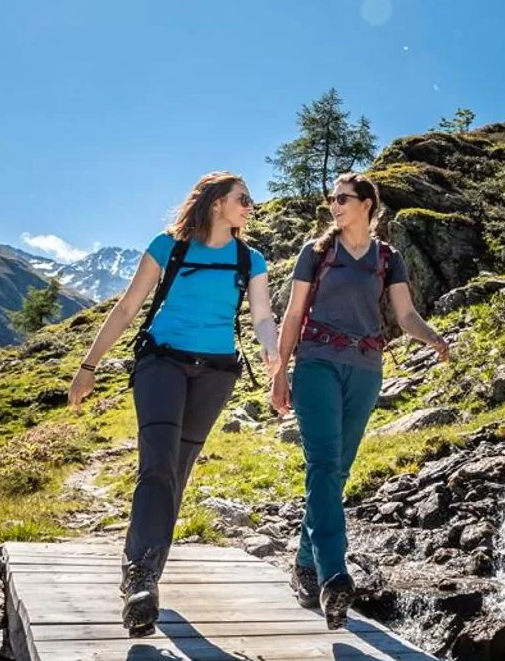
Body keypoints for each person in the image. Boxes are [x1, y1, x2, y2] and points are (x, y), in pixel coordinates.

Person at [67, 171, 277, 636]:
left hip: (218, 371)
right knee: (158, 464)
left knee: (177, 469)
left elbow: (262, 315)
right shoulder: (169, 246)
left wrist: (272, 349)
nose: (251, 205)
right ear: (217, 202)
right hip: (161, 362)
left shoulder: (251, 258)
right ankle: (141, 578)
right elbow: (126, 309)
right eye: (243, 198)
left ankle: (144, 578)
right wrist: (88, 366)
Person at [271, 172, 450, 628]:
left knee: (337, 470)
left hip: (367, 370)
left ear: (368, 204)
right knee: (325, 465)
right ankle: (334, 575)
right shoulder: (316, 253)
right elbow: (293, 315)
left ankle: (305, 564)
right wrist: (279, 374)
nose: (334, 205)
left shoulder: (388, 258)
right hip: (316, 364)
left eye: (343, 198)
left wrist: (433, 339)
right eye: (331, 198)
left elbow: (405, 315)